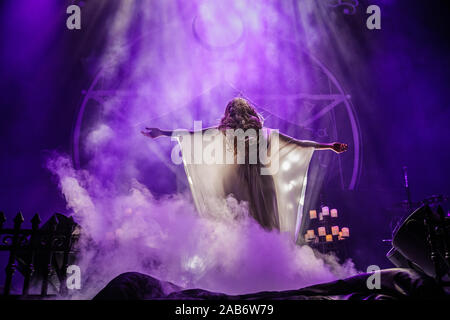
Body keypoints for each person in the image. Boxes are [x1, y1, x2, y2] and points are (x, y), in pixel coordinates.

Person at [142, 97, 348, 240]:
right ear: (251, 112)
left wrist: (162, 132)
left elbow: (190, 135)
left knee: (239, 222)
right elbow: (298, 143)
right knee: (264, 221)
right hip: (263, 181)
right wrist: (328, 146)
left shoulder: (224, 131)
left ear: (228, 114)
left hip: (237, 181)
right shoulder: (266, 133)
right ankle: (265, 267)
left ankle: (248, 268)